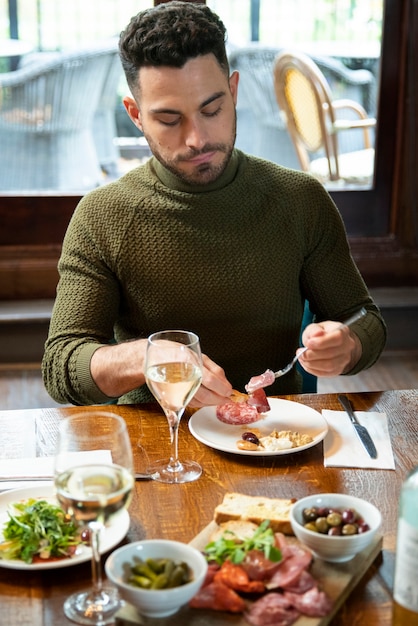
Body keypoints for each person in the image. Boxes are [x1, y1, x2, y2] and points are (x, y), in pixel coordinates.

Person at [42, 1, 386, 407]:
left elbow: (365, 321)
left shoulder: (299, 199)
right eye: (170, 119)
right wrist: (145, 358)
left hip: (277, 438)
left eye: (212, 109)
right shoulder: (102, 216)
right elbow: (61, 364)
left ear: (234, 90)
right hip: (158, 445)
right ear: (135, 115)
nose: (197, 139)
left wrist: (347, 344)